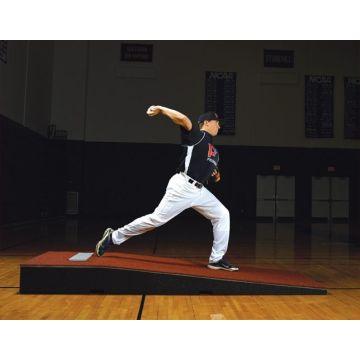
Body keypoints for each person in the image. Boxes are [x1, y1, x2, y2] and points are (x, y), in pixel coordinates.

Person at [95, 105, 239, 271]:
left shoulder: (213, 150)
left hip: (199, 191)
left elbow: (210, 167)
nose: (219, 126)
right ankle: (113, 237)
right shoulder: (198, 136)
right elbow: (183, 119)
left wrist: (215, 174)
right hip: (183, 186)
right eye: (217, 122)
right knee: (157, 219)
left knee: (222, 214)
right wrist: (161, 109)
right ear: (206, 122)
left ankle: (216, 259)